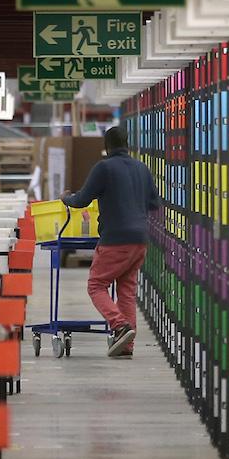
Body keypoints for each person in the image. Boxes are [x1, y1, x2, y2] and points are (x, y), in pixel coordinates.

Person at [62, 126, 160, 358]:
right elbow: (154, 204)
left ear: (106, 147)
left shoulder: (104, 168)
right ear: (127, 143)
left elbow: (81, 199)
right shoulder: (142, 168)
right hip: (140, 240)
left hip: (116, 239)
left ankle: (120, 325)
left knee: (96, 285)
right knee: (126, 290)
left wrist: (66, 197)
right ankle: (126, 346)